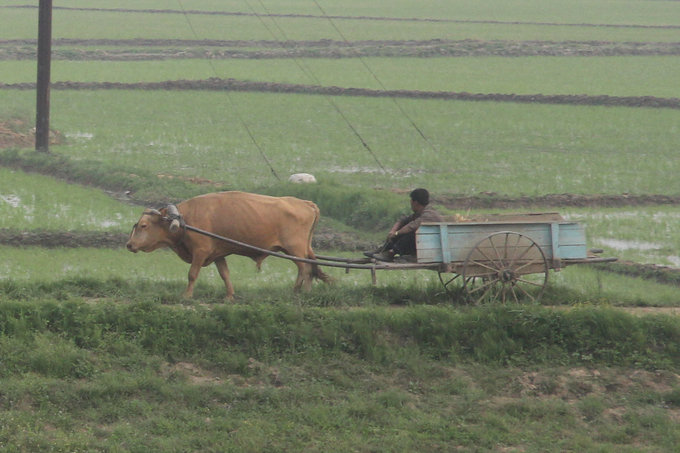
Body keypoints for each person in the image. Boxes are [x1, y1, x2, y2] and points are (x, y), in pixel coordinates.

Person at [364, 188, 443, 262]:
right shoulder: (420, 212)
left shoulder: (429, 214)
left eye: (411, 201)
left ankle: (391, 252)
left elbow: (412, 226)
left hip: (430, 247)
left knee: (411, 233)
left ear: (415, 202)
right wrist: (393, 231)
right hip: (424, 244)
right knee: (403, 228)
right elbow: (402, 221)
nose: (410, 204)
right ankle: (383, 249)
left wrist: (396, 233)